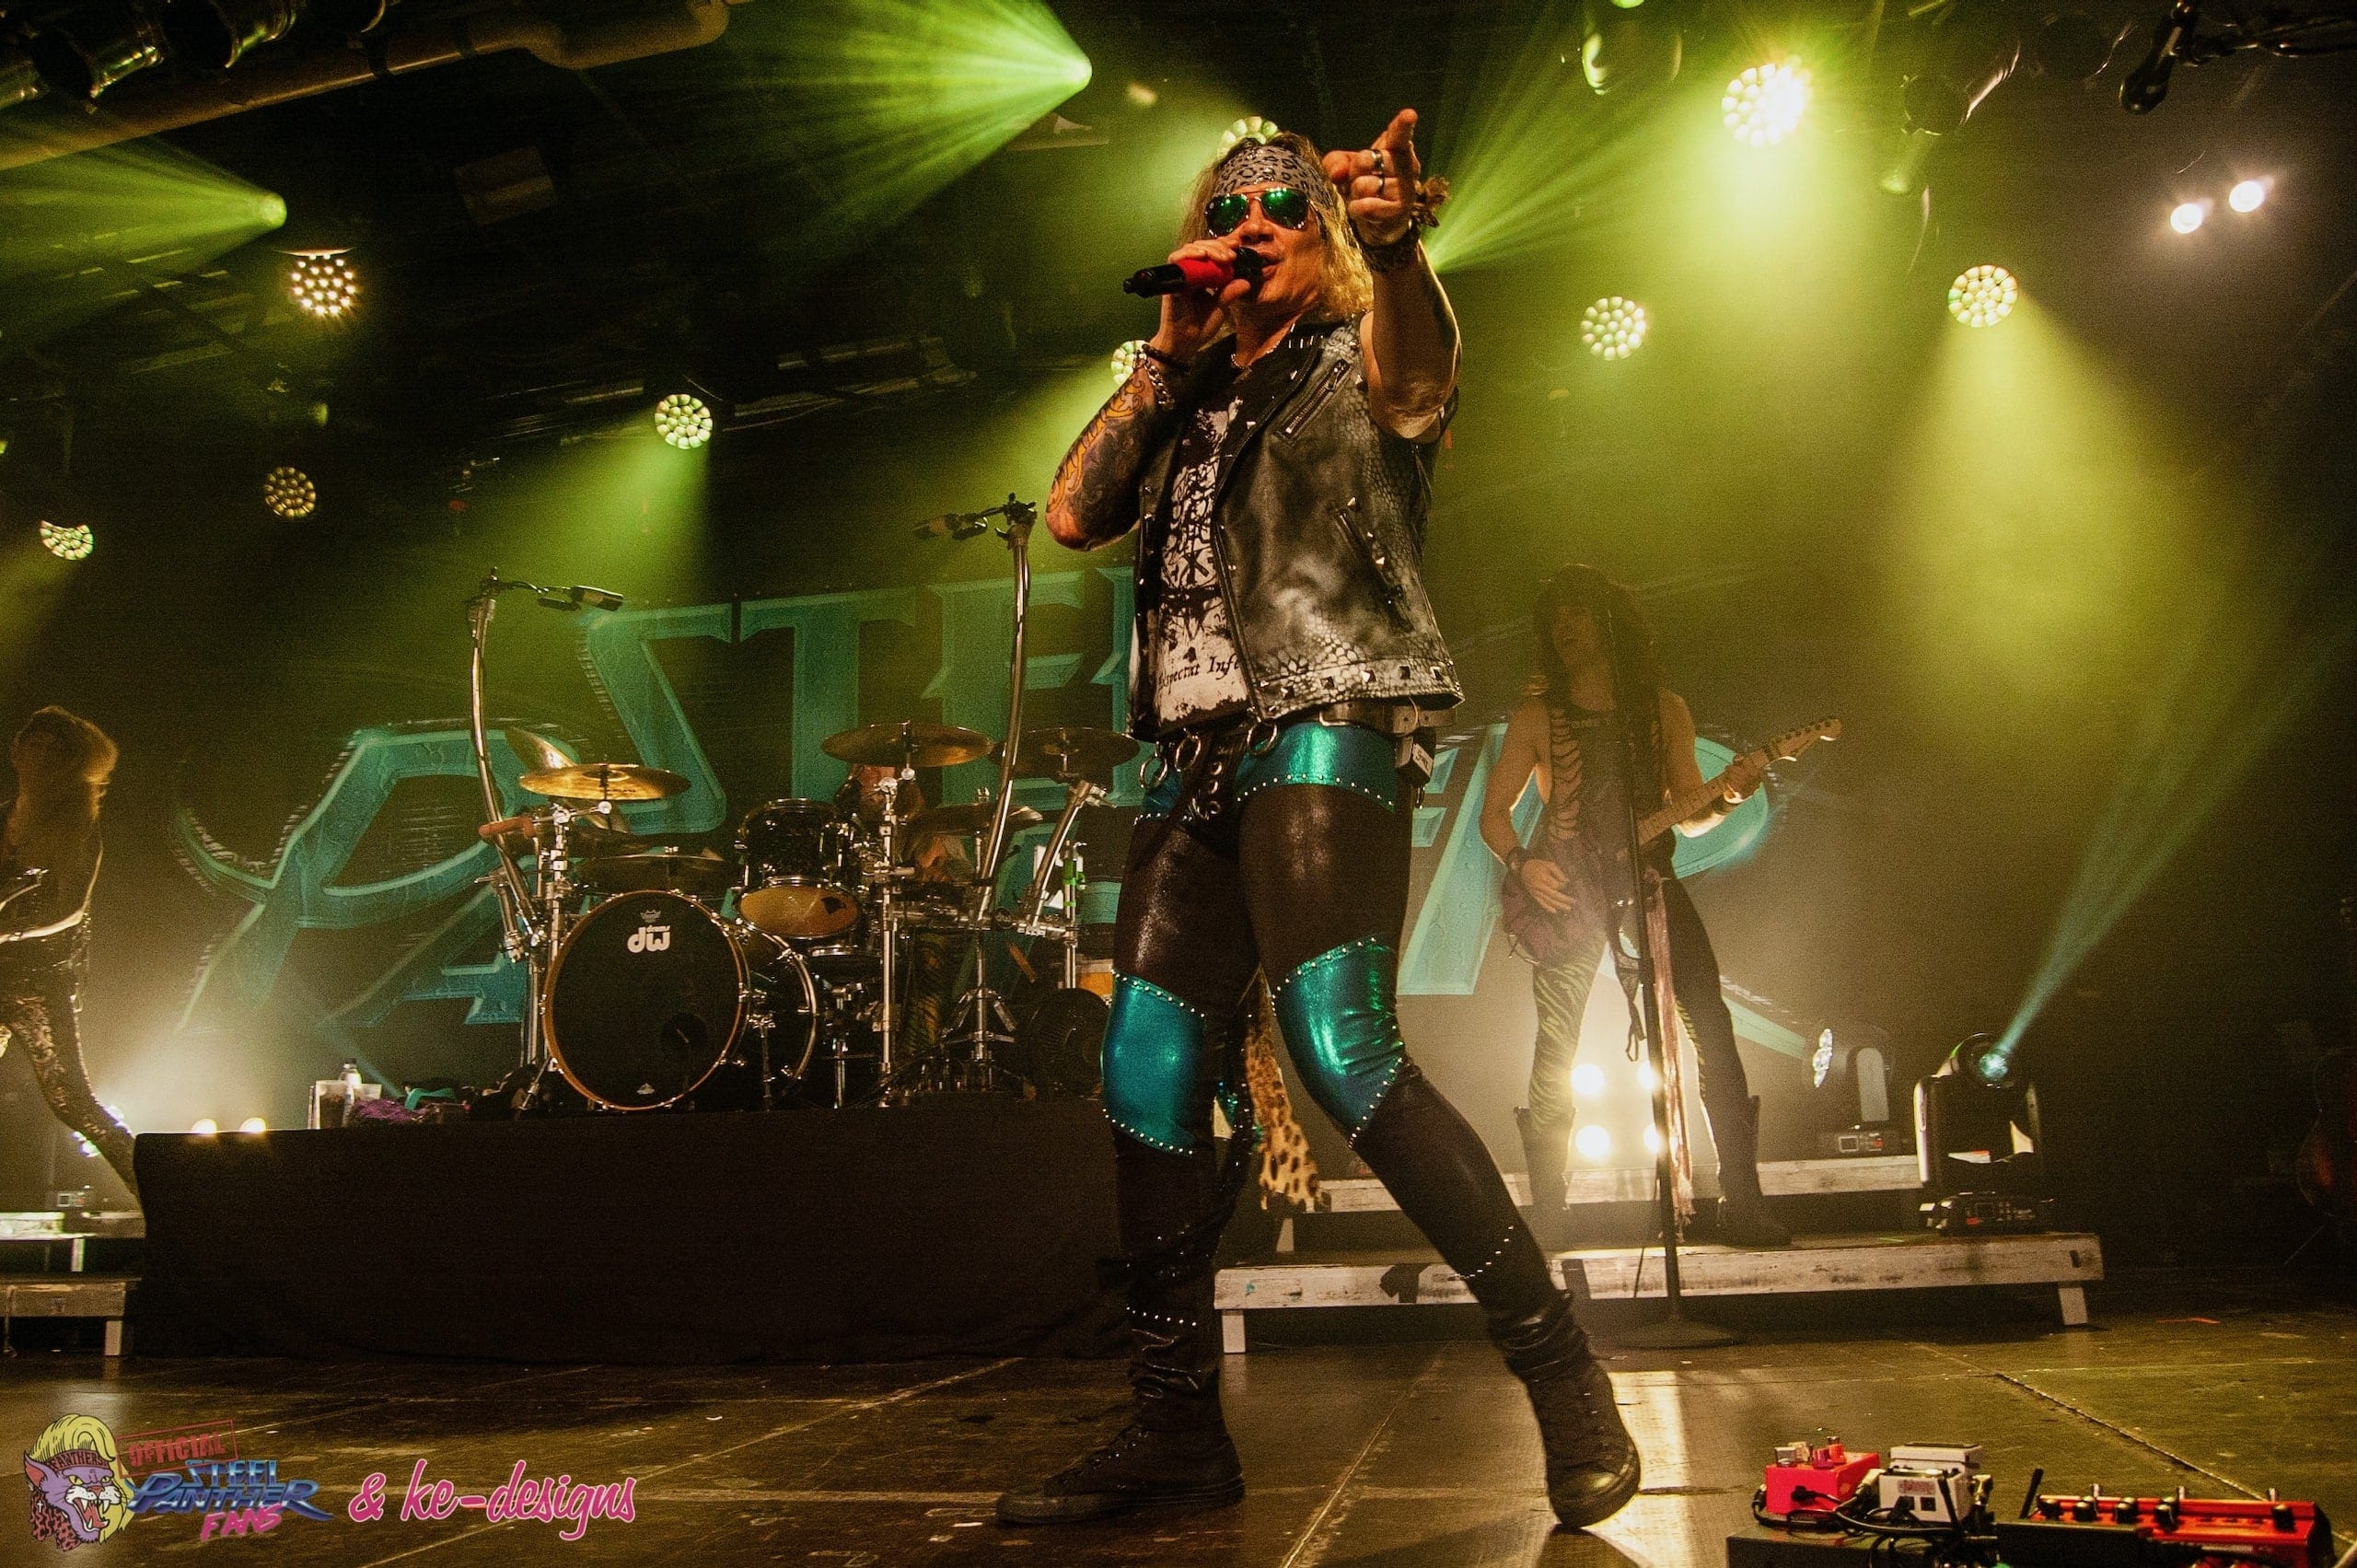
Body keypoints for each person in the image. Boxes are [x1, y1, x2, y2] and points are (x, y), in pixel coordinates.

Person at [995, 113, 1641, 1532]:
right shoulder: (1187, 392)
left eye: (1286, 203)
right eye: (1230, 206)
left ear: (1329, 231)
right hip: (1194, 752)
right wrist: (1167, 355)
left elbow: (1422, 372)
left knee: (1341, 1047)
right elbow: (1074, 515)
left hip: (1327, 712)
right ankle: (1175, 1425)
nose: (1254, 221)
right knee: (1145, 1063)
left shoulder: (1360, 355)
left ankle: (1560, 1365)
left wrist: (1396, 248)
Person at [1478, 566, 1789, 1250]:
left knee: (1710, 1024)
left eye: (1579, 613)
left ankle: (1743, 1199)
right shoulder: (1536, 718)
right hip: (1567, 894)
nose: (1564, 627)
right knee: (1555, 1045)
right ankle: (1549, 1210)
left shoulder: (1663, 710)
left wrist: (1732, 796)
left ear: (1609, 622)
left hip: (1649, 880)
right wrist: (1523, 864)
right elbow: (1493, 815)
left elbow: (1691, 812)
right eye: (1555, 616)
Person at [0, 706, 137, 1199]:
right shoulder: (4, 815)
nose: (37, 755)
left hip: (37, 979)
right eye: (32, 743)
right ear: (17, 750)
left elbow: (69, 907)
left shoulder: (76, 825)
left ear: (68, 763)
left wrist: (7, 929)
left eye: (51, 749)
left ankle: (162, 1189)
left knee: (70, 1100)